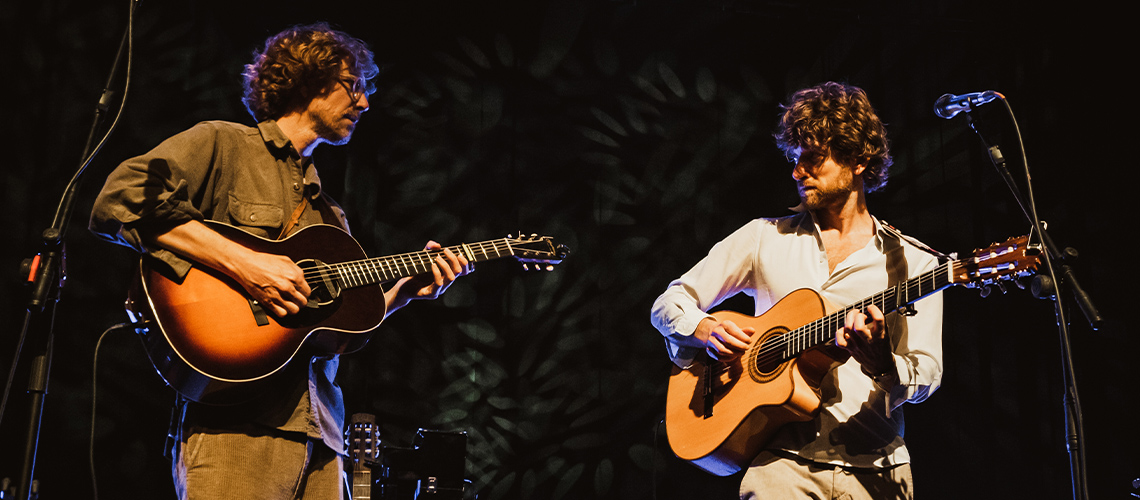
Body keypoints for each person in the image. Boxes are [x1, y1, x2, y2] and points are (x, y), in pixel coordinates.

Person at [89, 23, 471, 499]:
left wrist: (403, 295)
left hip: (322, 437)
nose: (365, 104)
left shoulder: (330, 216)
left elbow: (335, 334)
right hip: (235, 427)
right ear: (311, 79)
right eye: (353, 86)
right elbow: (118, 199)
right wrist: (248, 265)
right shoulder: (223, 145)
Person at [650, 81, 944, 499]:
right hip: (779, 467)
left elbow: (928, 372)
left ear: (858, 160)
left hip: (876, 472)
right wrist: (703, 329)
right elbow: (669, 302)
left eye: (814, 158)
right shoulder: (762, 238)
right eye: (795, 157)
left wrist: (884, 364)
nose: (797, 170)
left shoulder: (914, 263)